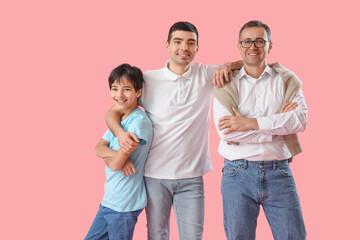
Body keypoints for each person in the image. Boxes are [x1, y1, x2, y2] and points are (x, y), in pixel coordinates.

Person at [100, 21, 242, 240]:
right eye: (177, 42)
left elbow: (250, 63)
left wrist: (229, 65)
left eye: (190, 43)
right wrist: (120, 134)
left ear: (197, 48)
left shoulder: (206, 74)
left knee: (193, 237)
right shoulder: (147, 79)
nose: (184, 47)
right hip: (155, 175)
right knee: (157, 235)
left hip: (192, 176)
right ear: (166, 45)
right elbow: (114, 111)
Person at [213, 20, 307, 240]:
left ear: (269, 46)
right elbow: (228, 132)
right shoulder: (225, 83)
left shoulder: (287, 81)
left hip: (279, 173)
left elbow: (300, 120)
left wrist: (251, 123)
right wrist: (279, 126)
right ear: (239, 46)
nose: (252, 46)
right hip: (237, 174)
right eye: (247, 41)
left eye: (259, 41)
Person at [84, 64, 153, 240]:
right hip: (110, 201)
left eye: (127, 89)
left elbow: (114, 164)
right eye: (115, 89)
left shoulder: (139, 123)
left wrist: (116, 158)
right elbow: (97, 148)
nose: (119, 95)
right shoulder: (120, 118)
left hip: (124, 204)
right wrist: (120, 158)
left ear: (138, 92)